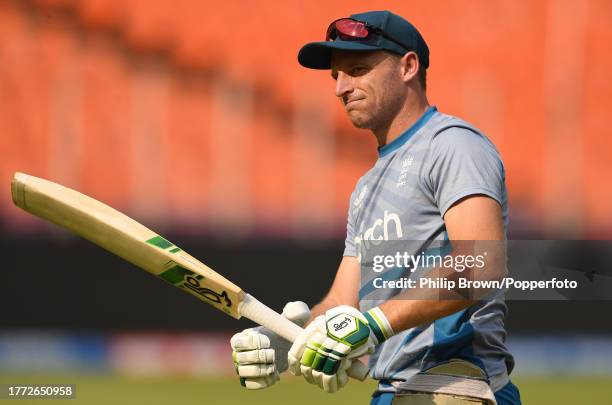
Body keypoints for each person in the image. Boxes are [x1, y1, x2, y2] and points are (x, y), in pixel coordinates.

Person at [230, 10, 521, 405]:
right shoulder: (365, 188)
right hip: (392, 393)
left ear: (408, 66)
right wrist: (288, 341)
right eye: (336, 75)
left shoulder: (452, 144)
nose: (340, 87)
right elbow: (339, 305)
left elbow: (482, 263)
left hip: (456, 387)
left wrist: (373, 325)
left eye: (358, 69)